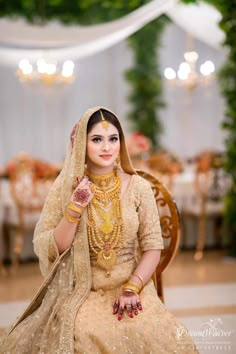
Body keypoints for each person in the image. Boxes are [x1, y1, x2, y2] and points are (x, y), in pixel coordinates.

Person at [0, 106, 198, 353]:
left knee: (158, 337)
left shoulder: (139, 187)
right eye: (97, 139)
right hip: (83, 291)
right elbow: (54, 248)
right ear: (82, 144)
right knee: (85, 335)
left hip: (131, 287)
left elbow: (153, 248)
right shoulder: (66, 189)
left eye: (113, 139)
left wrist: (132, 288)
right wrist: (75, 206)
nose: (107, 147)